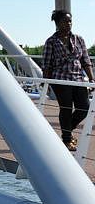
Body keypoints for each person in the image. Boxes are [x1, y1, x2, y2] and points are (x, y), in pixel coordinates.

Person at [41, 9, 95, 151]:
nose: (69, 23)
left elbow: (86, 61)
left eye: (70, 21)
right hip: (60, 79)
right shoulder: (51, 42)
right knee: (66, 109)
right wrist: (46, 83)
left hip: (78, 79)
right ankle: (67, 139)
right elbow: (47, 64)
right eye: (65, 21)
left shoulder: (79, 39)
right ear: (57, 23)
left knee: (84, 108)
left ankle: (67, 131)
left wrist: (91, 79)